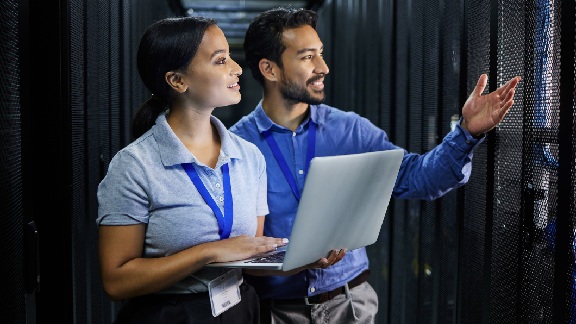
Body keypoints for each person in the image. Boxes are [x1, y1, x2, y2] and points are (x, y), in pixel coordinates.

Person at [229, 7, 522, 324]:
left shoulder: (350, 130)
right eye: (307, 57)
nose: (323, 67)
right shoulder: (237, 145)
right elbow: (231, 242)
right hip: (272, 311)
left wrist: (466, 133)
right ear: (269, 70)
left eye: (321, 54)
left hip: (349, 306)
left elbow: (418, 177)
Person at [96, 16, 292, 324]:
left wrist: (300, 259)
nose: (237, 69)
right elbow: (116, 281)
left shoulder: (249, 156)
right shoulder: (134, 166)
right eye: (220, 60)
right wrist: (209, 252)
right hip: (170, 315)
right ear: (177, 80)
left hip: (240, 309)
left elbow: (247, 254)